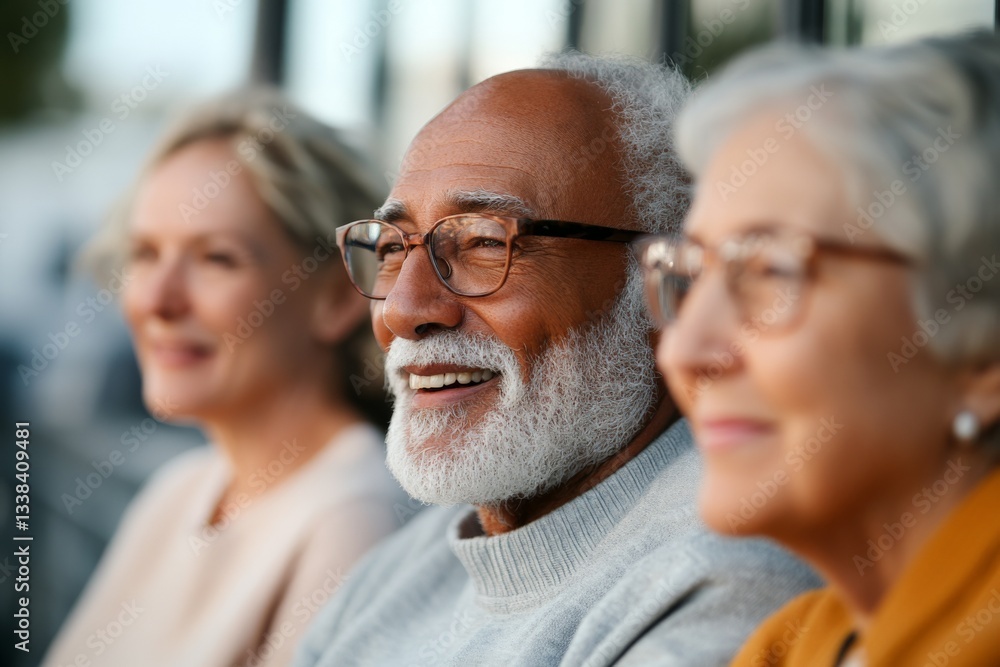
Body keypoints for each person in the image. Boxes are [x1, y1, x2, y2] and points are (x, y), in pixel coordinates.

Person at [294, 53, 819, 667]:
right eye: (391, 249)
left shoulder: (727, 576)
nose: (403, 309)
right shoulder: (397, 572)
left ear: (672, 284)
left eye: (484, 241)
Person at [642, 31, 1000, 666]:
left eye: (769, 270)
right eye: (691, 275)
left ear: (983, 359)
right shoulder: (793, 645)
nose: (683, 351)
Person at [42, 88, 406, 667]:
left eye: (216, 258)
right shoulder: (181, 490)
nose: (157, 300)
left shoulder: (354, 519)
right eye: (145, 254)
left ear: (339, 297)